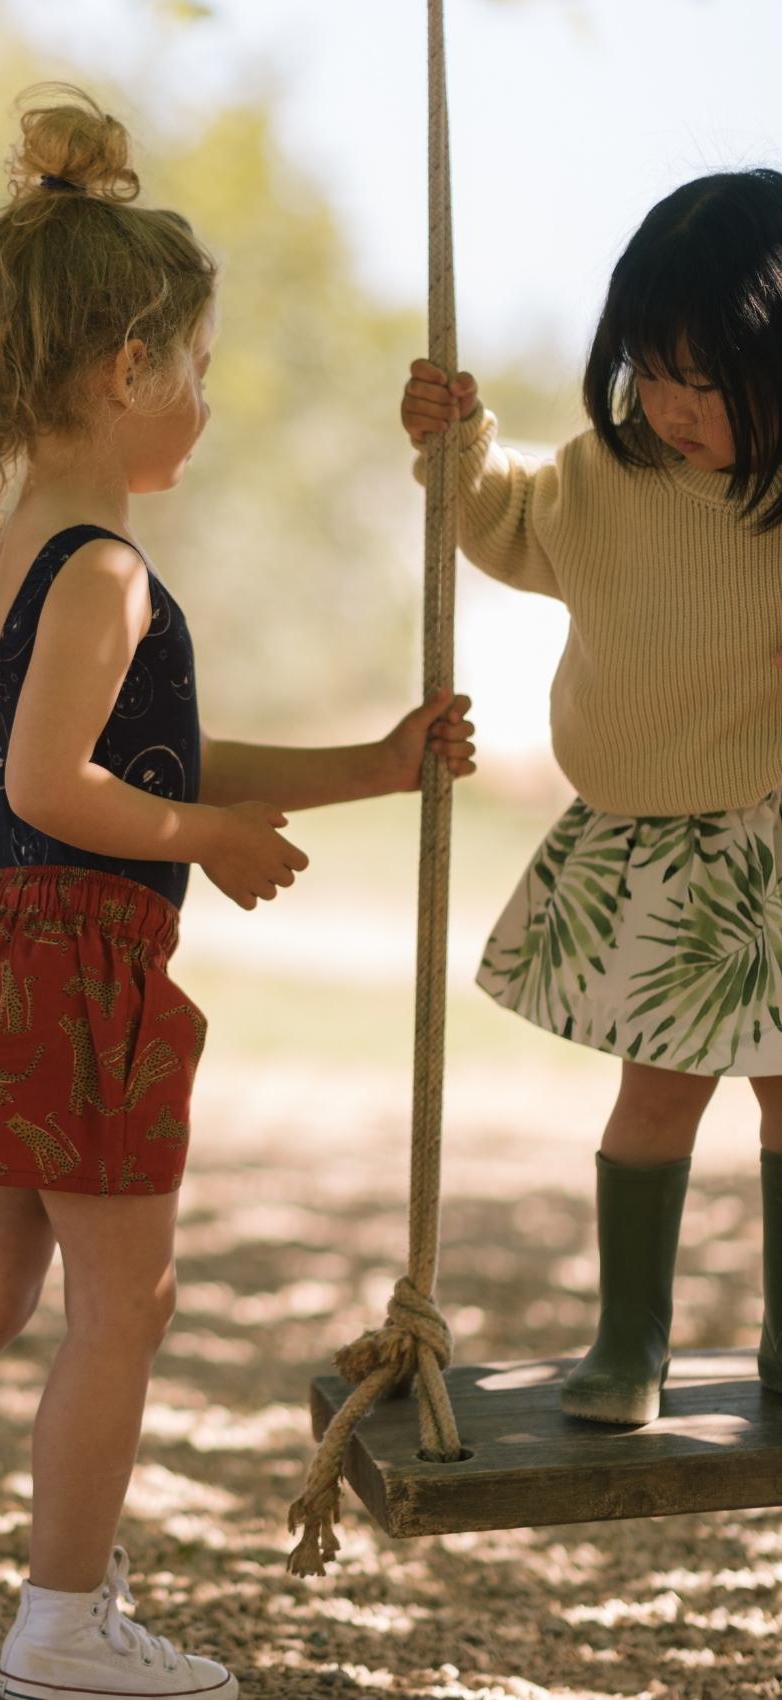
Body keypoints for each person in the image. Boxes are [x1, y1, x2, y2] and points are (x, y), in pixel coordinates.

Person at [0, 84, 475, 1700]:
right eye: (200, 371)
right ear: (127, 371)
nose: (207, 404)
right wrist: (208, 841)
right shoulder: (101, 570)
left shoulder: (45, 542)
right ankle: (64, 1619)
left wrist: (370, 766)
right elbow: (57, 787)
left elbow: (146, 755)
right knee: (123, 1302)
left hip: (14, 952)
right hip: (74, 960)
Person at [400, 168, 782, 1428]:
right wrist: (452, 440)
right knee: (659, 1093)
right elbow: (499, 518)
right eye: (649, 368)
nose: (669, 404)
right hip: (657, 843)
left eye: (707, 379)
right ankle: (631, 1341)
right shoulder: (604, 477)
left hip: (775, 827)